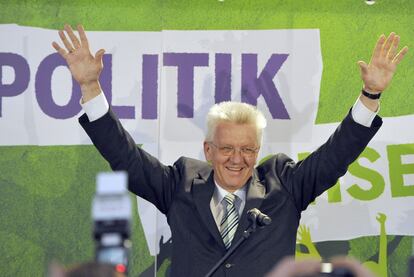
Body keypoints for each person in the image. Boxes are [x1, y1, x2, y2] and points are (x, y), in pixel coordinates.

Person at [52, 24, 407, 277]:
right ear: (208, 149)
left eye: (248, 149)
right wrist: (90, 86)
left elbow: (336, 155)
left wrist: (370, 95)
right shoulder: (179, 183)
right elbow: (124, 156)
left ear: (258, 149)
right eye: (226, 149)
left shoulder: (285, 184)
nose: (238, 159)